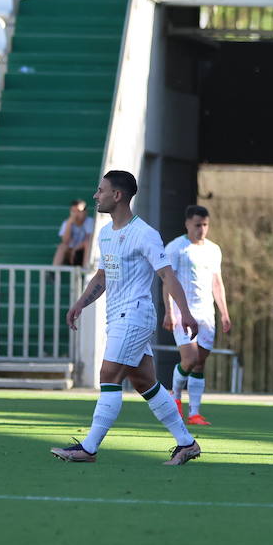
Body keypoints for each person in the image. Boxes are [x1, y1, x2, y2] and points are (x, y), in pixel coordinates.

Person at [52, 170, 205, 466]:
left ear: (117, 195)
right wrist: (81, 303)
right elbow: (103, 274)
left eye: (101, 190)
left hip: (135, 314)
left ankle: (89, 447)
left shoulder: (144, 234)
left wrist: (185, 312)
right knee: (145, 382)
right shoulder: (106, 233)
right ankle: (187, 443)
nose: (96, 196)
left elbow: (166, 275)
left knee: (108, 376)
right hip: (117, 317)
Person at [164, 205, 232, 425]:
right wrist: (168, 312)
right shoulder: (176, 248)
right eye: (197, 225)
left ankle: (195, 413)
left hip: (206, 313)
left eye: (205, 225)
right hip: (182, 312)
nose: (201, 229)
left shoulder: (214, 249)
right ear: (187, 224)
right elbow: (168, 281)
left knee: (200, 363)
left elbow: (217, 282)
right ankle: (174, 398)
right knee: (190, 359)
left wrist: (224, 313)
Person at [52, 198, 94, 266]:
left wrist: (75, 249)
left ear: (85, 212)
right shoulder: (67, 223)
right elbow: (65, 241)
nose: (76, 214)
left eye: (79, 211)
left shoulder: (90, 222)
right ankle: (53, 272)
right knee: (61, 247)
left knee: (87, 244)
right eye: (73, 211)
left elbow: (89, 240)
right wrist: (69, 224)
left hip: (82, 253)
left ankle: (86, 271)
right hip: (70, 254)